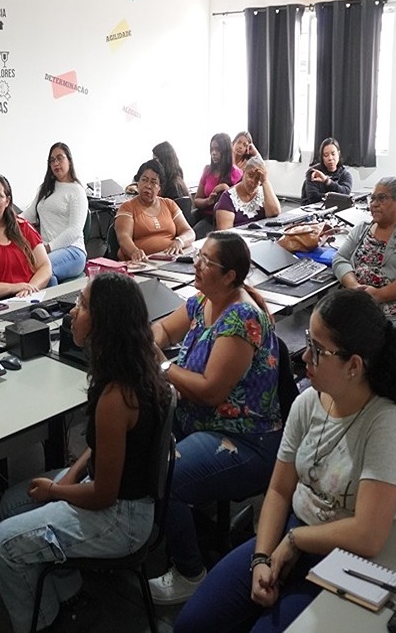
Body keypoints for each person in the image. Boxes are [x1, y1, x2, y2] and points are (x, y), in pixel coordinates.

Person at [174, 289, 396, 633]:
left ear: (354, 366)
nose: (304, 358)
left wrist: (294, 542)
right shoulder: (308, 404)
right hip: (294, 534)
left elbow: (368, 534)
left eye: (318, 351)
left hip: (347, 559)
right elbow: (279, 490)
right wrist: (261, 558)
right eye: (307, 342)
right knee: (191, 625)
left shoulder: (387, 425)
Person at [0, 273, 168, 633]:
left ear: (104, 323)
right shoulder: (140, 364)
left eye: (83, 305)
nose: (73, 312)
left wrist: (56, 492)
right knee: (12, 504)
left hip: (122, 520)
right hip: (125, 500)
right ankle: (70, 596)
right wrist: (72, 475)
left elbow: (103, 495)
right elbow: (106, 447)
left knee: (1, 543)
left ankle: (43, 624)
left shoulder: (117, 396)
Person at [147, 232, 282, 605]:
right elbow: (162, 328)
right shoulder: (204, 301)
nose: (197, 264)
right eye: (199, 256)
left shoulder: (241, 319)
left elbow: (209, 391)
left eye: (207, 261)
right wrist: (153, 341)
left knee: (167, 475)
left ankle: (190, 572)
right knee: (140, 438)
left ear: (229, 276)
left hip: (244, 438)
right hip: (201, 421)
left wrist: (159, 364)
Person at [330, 177, 396, 325]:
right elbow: (340, 258)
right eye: (372, 199)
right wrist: (355, 288)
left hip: (393, 310)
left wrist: (379, 295)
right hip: (357, 302)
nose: (374, 204)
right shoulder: (361, 228)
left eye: (381, 198)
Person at [22, 142, 88, 283]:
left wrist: (48, 248)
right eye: (52, 160)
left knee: (40, 269)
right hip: (47, 251)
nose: (56, 163)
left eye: (60, 158)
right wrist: (7, 218)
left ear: (69, 160)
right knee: (48, 278)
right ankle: (49, 305)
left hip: (73, 251)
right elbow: (29, 215)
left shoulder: (76, 191)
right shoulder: (45, 189)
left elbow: (74, 230)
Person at [114, 160, 196, 262]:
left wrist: (180, 241)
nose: (148, 186)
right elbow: (124, 238)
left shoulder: (169, 204)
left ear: (159, 188)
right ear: (137, 183)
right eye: (144, 180)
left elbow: (189, 232)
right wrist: (134, 252)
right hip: (143, 263)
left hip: (171, 260)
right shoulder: (127, 207)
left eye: (153, 182)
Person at [192, 133, 243, 238]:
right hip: (204, 213)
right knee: (182, 227)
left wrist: (226, 189)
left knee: (197, 233)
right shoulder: (207, 170)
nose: (213, 153)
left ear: (226, 152)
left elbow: (240, 203)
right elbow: (197, 200)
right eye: (212, 149)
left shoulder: (236, 173)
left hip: (220, 217)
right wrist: (208, 201)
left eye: (218, 150)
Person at [215, 155, 282, 229]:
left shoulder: (263, 193)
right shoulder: (228, 197)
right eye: (250, 175)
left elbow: (274, 212)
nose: (253, 181)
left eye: (258, 178)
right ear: (244, 172)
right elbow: (224, 234)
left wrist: (265, 181)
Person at [301, 137, 353, 204]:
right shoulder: (314, 172)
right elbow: (313, 197)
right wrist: (332, 197)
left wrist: (327, 181)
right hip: (311, 211)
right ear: (322, 157)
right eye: (326, 155)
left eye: (333, 154)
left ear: (338, 154)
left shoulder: (345, 174)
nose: (330, 158)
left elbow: (345, 193)